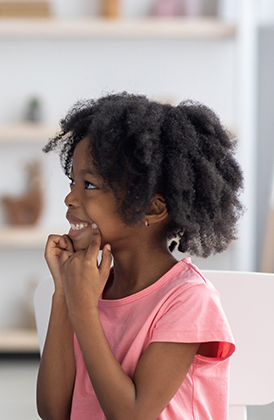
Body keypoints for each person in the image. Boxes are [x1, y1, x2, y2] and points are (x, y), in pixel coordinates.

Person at [36, 92, 242, 420]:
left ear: (151, 207)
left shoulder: (189, 299)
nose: (69, 198)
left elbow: (132, 415)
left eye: (89, 185)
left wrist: (82, 307)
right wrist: (64, 292)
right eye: (73, 181)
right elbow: (53, 411)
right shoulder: (87, 287)